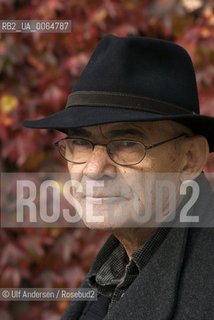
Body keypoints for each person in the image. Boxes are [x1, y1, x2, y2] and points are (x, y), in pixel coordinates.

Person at [22, 34, 214, 319]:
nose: (94, 169)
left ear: (189, 159)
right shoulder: (119, 266)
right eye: (80, 143)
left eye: (127, 144)